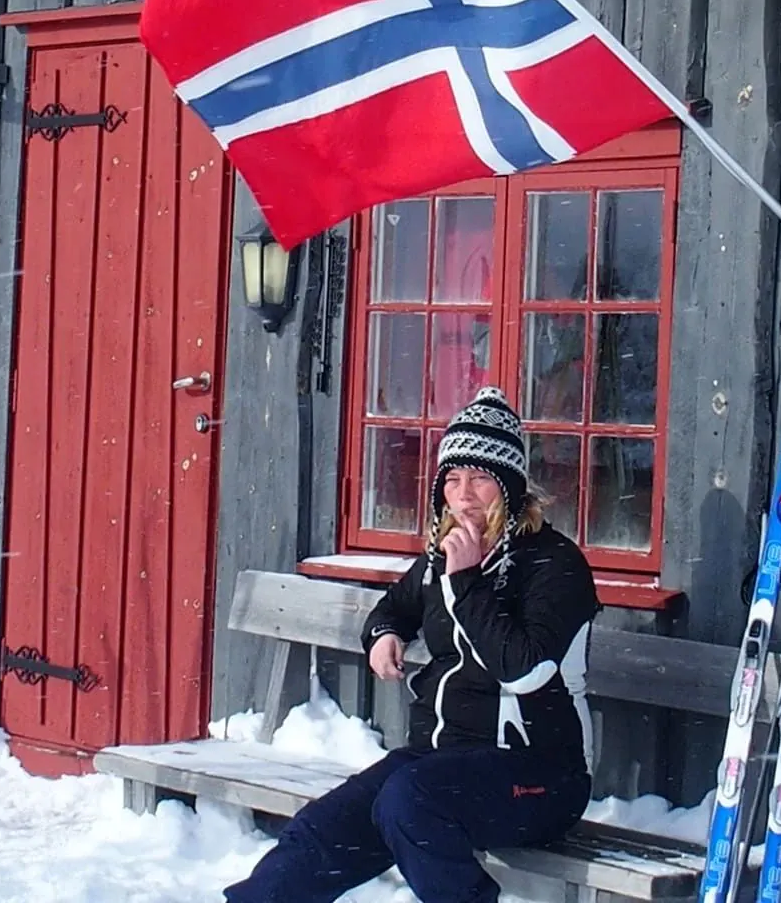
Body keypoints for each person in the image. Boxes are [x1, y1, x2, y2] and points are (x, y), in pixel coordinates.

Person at [224, 387, 602, 903]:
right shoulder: (440, 559)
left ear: (510, 488)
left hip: (539, 775)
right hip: (439, 759)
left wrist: (467, 582)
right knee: (324, 828)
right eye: (453, 480)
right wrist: (385, 634)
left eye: (480, 479)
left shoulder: (553, 564)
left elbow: (527, 671)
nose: (464, 495)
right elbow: (393, 608)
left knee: (410, 801)